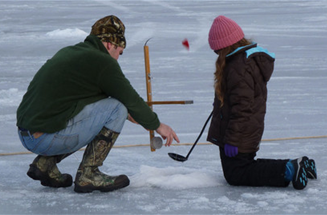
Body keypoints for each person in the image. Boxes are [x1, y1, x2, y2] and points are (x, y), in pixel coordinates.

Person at [16, 15, 180, 193]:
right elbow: (129, 99)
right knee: (118, 108)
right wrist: (157, 125)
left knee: (114, 109)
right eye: (120, 52)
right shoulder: (103, 62)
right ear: (110, 44)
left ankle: (44, 164)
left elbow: (83, 98)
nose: (117, 58)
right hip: (46, 138)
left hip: (27, 134)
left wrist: (129, 113)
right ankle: (89, 174)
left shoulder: (71, 52)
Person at [206, 15, 317, 190]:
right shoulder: (244, 62)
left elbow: (242, 107)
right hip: (247, 129)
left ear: (224, 46)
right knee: (243, 167)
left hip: (240, 132)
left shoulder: (238, 67)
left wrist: (232, 140)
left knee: (238, 173)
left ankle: (290, 169)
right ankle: (299, 164)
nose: (216, 55)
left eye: (217, 51)